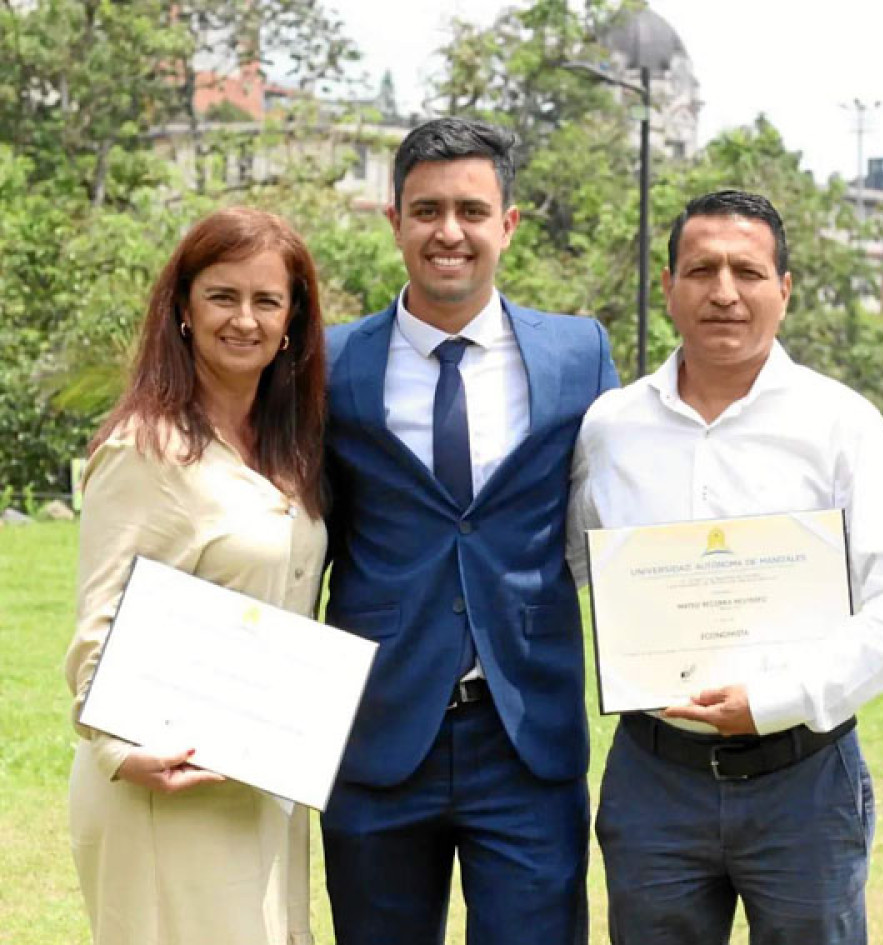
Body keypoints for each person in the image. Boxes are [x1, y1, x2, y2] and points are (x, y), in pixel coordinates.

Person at [568, 189, 883, 945]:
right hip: (653, 777)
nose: (724, 291)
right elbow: (566, 568)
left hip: (802, 778)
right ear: (667, 286)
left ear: (784, 289)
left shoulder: (839, 424)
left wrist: (779, 696)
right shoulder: (610, 427)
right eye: (701, 269)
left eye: (747, 270)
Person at [321, 116, 619, 945]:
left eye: (470, 210)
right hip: (376, 733)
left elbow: (624, 516)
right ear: (392, 221)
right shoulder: (326, 363)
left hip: (525, 736)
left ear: (508, 225)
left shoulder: (578, 355)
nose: (448, 232)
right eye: (425, 210)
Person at [64, 206, 327, 945]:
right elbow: (97, 623)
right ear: (183, 307)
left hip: (262, 783)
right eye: (222, 295)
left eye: (266, 300)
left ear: (291, 320)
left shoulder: (288, 449)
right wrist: (121, 749)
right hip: (166, 788)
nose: (244, 319)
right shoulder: (144, 447)